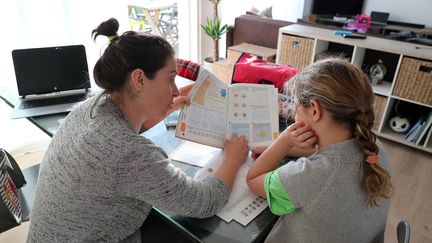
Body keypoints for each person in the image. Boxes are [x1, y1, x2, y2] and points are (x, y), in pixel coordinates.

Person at [27, 18, 249, 242]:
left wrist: (164, 106)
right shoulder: (129, 153)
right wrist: (233, 159)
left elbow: (128, 125)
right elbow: (203, 202)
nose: (175, 90)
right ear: (139, 79)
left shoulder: (88, 108)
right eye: (171, 79)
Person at [246, 58, 394, 243]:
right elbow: (332, 156)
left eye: (296, 106)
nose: (294, 113)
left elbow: (253, 179)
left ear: (315, 110)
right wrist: (283, 150)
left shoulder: (310, 175)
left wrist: (283, 142)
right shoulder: (374, 147)